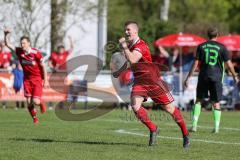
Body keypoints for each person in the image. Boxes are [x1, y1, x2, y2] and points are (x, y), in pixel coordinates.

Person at [118, 21, 190, 147]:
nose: (126, 32)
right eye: (125, 30)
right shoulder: (132, 47)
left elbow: (133, 59)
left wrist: (123, 46)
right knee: (135, 106)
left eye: (128, 30)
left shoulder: (141, 45)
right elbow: (130, 61)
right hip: (140, 82)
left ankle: (185, 134)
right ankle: (153, 129)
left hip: (153, 81)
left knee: (169, 109)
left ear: (135, 31)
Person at [184, 27, 239, 133]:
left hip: (203, 76)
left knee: (199, 100)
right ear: (217, 35)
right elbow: (229, 64)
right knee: (216, 102)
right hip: (217, 77)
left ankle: (194, 125)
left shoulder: (201, 46)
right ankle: (216, 128)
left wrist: (188, 78)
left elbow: (195, 63)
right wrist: (234, 76)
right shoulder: (222, 47)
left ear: (207, 35)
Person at [4, 29, 48, 124]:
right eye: (21, 43)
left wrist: (46, 80)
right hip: (27, 80)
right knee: (28, 102)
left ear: (29, 43)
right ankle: (35, 119)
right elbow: (7, 44)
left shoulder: (36, 53)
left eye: (24, 43)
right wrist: (5, 35)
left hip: (37, 79)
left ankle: (41, 103)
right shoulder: (19, 51)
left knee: (35, 101)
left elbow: (43, 66)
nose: (22, 45)